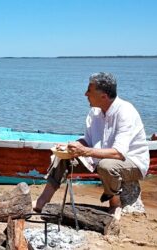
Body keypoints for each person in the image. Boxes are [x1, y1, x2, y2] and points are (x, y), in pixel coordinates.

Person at [34, 72, 149, 216]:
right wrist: (71, 146)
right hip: (101, 158)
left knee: (106, 165)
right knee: (63, 157)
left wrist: (84, 151)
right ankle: (41, 202)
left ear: (104, 96)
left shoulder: (125, 111)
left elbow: (118, 153)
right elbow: (88, 140)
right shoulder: (94, 112)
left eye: (89, 90)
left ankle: (115, 205)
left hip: (132, 162)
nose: (85, 94)